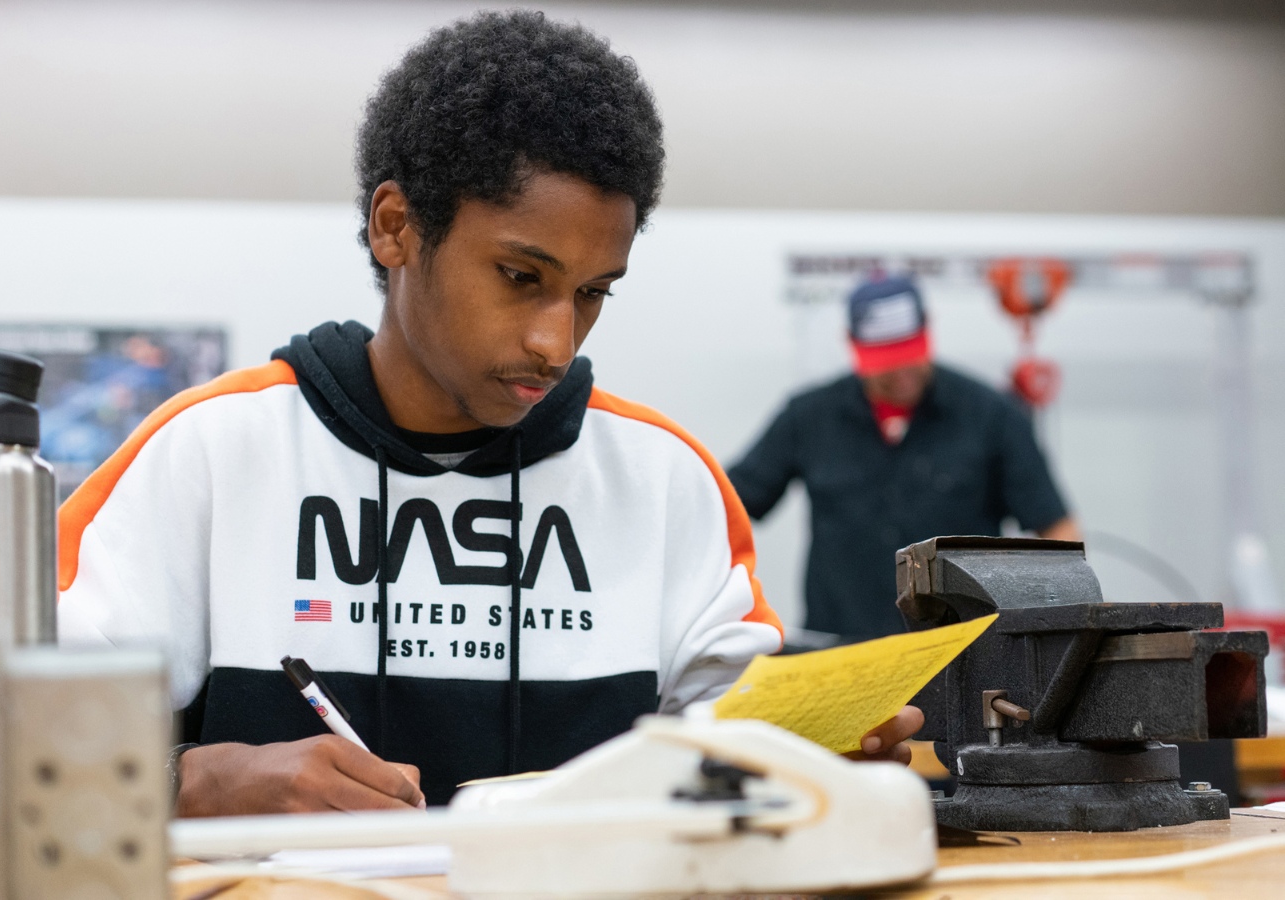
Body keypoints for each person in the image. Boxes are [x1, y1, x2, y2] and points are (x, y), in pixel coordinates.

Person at [56, 11, 922, 816]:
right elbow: (14, 743)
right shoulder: (207, 452)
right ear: (395, 227)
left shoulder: (664, 482)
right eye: (521, 277)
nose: (557, 341)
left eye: (592, 293)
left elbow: (745, 768)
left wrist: (815, 770)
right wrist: (189, 781)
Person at [728, 275, 1079, 642]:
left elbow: (1057, 529)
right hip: (843, 652)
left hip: (964, 650)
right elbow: (730, 505)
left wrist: (1061, 622)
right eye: (886, 362)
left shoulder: (992, 416)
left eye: (909, 356)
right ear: (852, 345)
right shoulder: (808, 417)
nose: (901, 373)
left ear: (927, 331)